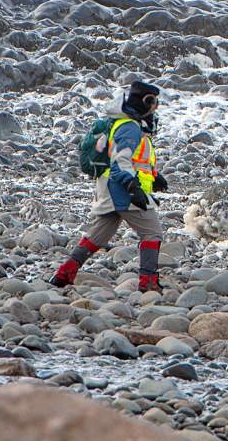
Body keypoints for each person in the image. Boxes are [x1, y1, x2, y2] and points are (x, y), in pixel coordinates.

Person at [50, 81, 169, 292]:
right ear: (147, 102)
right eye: (154, 103)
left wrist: (154, 176)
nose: (155, 109)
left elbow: (132, 159)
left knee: (98, 236)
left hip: (108, 189)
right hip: (122, 190)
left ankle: (64, 274)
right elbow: (120, 162)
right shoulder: (130, 127)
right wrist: (133, 188)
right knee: (153, 233)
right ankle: (148, 282)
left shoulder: (121, 123)